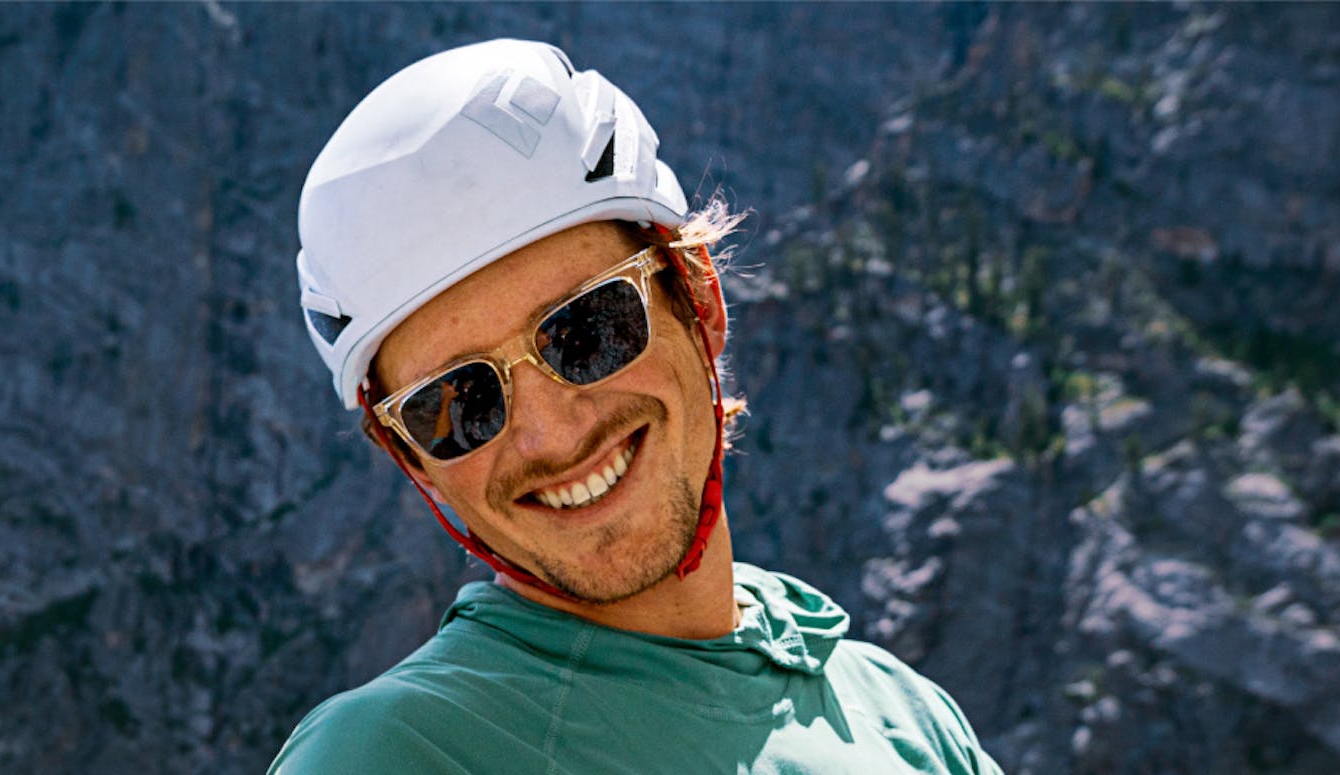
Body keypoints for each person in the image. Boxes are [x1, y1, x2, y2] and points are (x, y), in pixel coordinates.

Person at [269, 39, 1003, 774]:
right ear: (413, 460)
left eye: (587, 329)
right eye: (457, 405)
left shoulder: (903, 716)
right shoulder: (389, 756)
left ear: (699, 295)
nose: (550, 434)